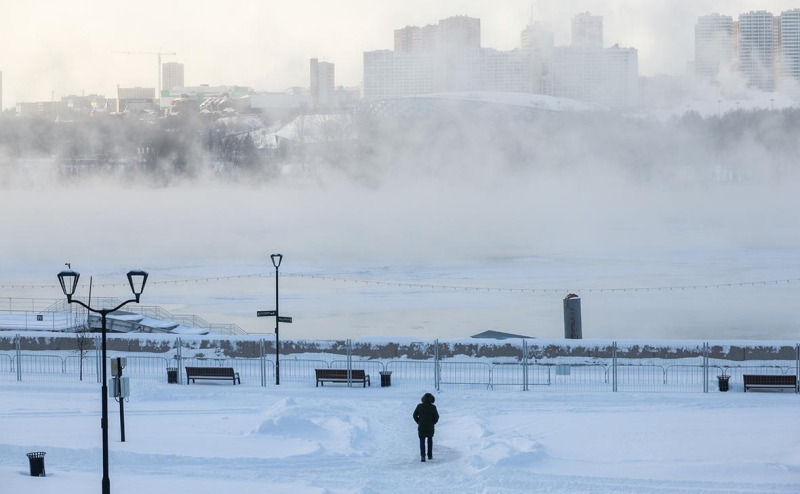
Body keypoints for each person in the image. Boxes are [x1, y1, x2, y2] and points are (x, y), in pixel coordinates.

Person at [413, 392, 439, 462]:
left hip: (421, 426)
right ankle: (430, 455)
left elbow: (414, 415)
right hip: (430, 426)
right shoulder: (433, 407)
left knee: (422, 441)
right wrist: (433, 422)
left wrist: (418, 422)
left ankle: (423, 456)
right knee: (430, 440)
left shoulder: (419, 406)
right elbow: (436, 417)